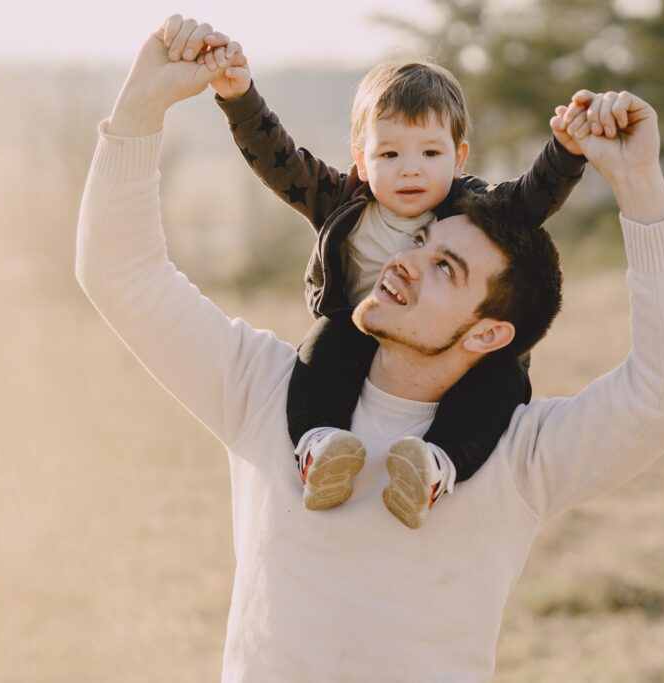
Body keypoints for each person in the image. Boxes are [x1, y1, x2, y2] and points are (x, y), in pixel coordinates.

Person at [76, 15, 664, 682]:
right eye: (419, 242)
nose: (410, 260)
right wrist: (141, 103)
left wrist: (638, 181)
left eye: (447, 267)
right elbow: (120, 275)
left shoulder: (519, 453)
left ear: (488, 332)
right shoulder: (266, 388)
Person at [203, 41, 588, 528]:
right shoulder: (342, 199)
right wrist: (238, 97)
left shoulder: (472, 207)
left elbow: (533, 198)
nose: (411, 167)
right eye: (389, 153)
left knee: (501, 378)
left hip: (450, 346)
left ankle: (434, 467)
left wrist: (567, 150)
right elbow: (278, 160)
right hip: (362, 332)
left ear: (458, 157)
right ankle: (319, 446)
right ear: (362, 162)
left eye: (430, 151)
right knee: (324, 341)